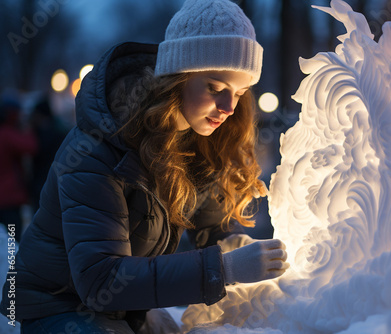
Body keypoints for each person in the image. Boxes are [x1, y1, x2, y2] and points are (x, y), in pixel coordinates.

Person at [0, 0, 289, 333]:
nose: (228, 107)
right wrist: (223, 268)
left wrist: (232, 245)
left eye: (240, 92)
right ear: (177, 78)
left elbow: (209, 229)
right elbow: (100, 278)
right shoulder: (99, 146)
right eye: (215, 87)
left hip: (120, 308)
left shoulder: (195, 139)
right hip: (57, 306)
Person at [0, 95, 38, 242]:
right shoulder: (7, 134)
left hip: (5, 198)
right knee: (11, 241)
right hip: (9, 199)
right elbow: (31, 146)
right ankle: (11, 265)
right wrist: (28, 128)